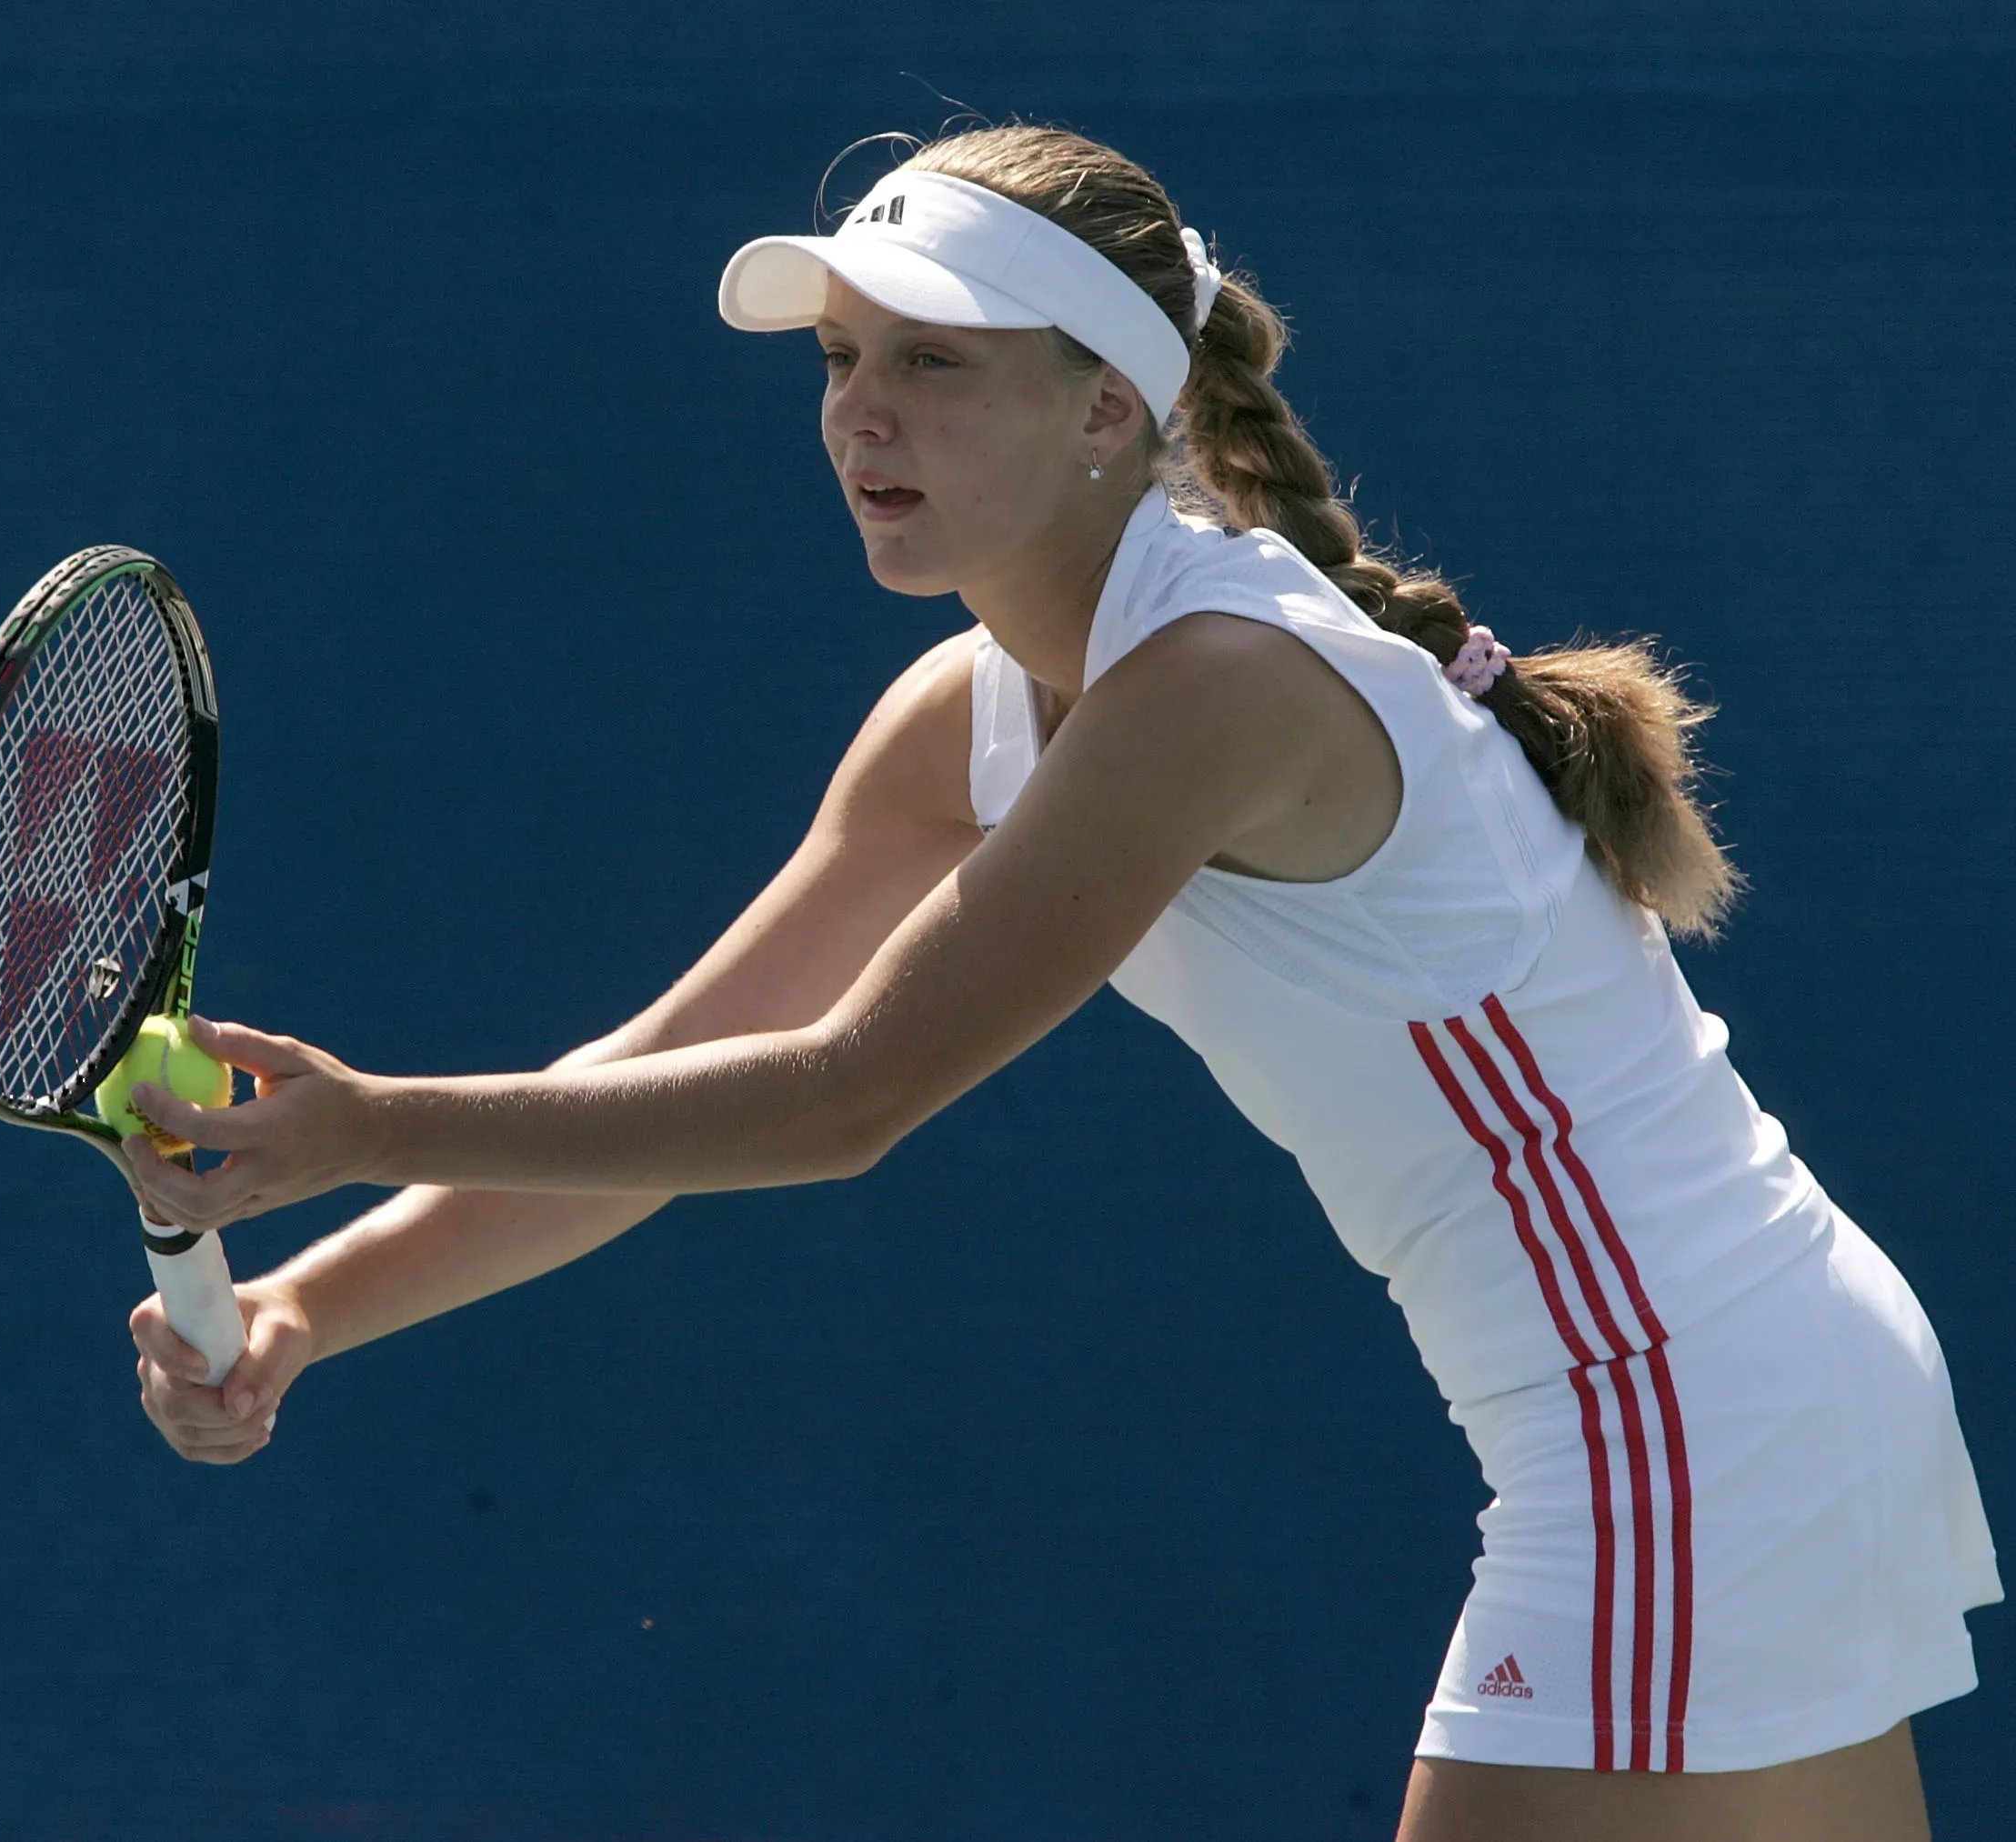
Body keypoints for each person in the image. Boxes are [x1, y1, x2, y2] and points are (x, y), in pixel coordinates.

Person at [115, 125, 1998, 1840]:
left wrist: (361, 1122)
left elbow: (841, 1095)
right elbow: (683, 1075)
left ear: (1109, 410)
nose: (863, 411)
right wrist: (297, 1310)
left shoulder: (1217, 688)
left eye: (934, 361)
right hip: (1763, 1388)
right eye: (844, 358)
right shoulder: (968, 716)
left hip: (1681, 1411)